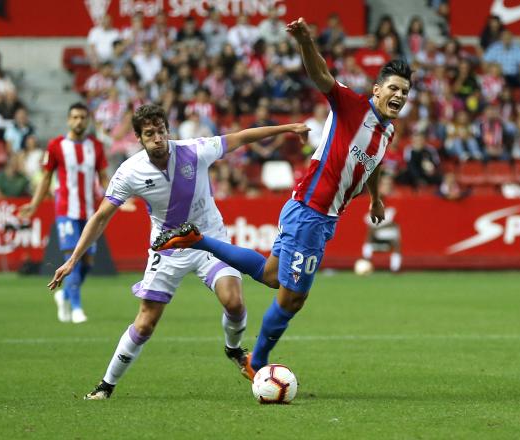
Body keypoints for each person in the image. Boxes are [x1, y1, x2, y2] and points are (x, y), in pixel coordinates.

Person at [152, 17, 412, 381]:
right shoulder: (353, 107)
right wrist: (306, 40)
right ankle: (256, 363)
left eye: (405, 91)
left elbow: (374, 164)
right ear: (377, 89)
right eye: (394, 88)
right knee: (292, 299)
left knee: (273, 275)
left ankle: (197, 240)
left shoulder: (387, 130)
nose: (400, 95)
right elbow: (321, 75)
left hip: (321, 216)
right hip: (311, 211)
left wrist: (375, 199)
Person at [46, 104, 309, 400]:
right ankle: (105, 386)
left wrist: (287, 128)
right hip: (167, 248)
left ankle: (234, 349)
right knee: (145, 322)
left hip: (209, 239)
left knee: (234, 303)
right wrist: (72, 260)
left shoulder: (195, 150)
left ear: (167, 130)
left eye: (160, 131)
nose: (157, 138)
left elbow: (240, 137)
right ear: (139, 138)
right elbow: (101, 216)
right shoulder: (129, 172)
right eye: (149, 134)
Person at [19, 103, 109, 324]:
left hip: (89, 212)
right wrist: (33, 204)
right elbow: (46, 178)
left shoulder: (95, 146)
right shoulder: (56, 145)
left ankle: (65, 295)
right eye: (75, 117)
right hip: (65, 210)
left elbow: (105, 177)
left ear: (87, 120)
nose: (79, 121)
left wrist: (118, 198)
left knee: (88, 260)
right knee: (72, 258)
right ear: (69, 120)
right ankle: (77, 308)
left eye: (83, 117)